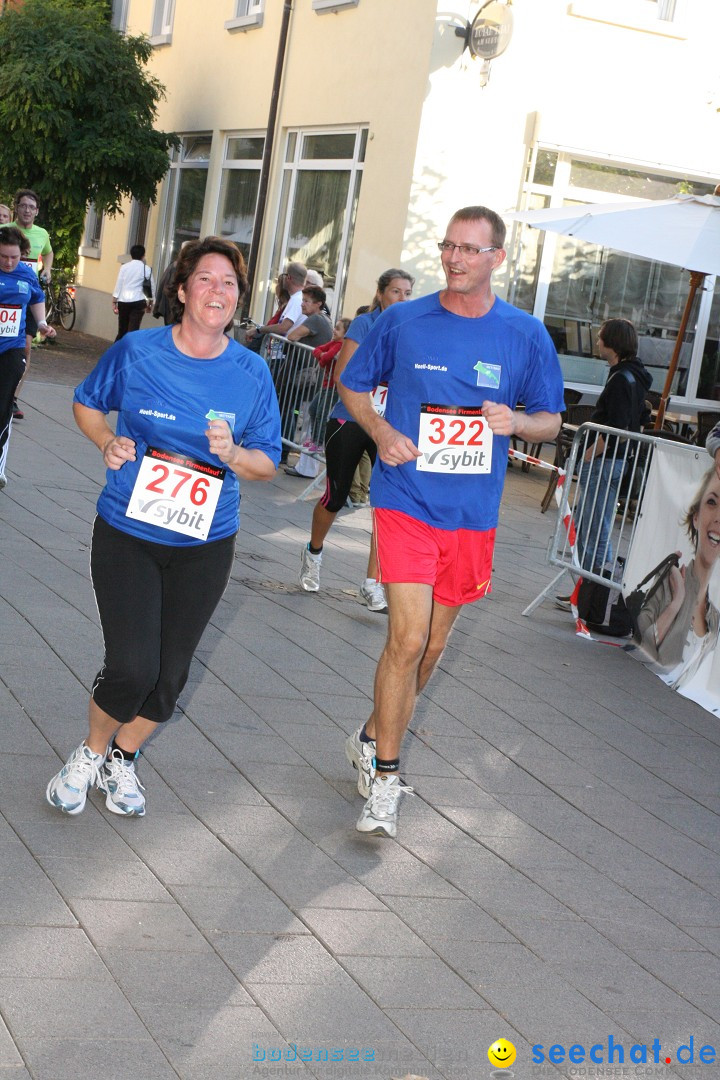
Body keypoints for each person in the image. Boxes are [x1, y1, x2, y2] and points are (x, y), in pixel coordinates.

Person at [337, 205, 564, 837]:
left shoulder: (525, 335)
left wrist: (516, 423)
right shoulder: (403, 320)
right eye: (449, 247)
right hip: (405, 499)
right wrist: (380, 430)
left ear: (497, 259)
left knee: (433, 647)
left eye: (470, 249)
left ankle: (370, 734)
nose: (455, 259)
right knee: (406, 641)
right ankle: (386, 776)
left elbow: (551, 419)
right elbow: (351, 382)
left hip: (471, 517)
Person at [45, 236, 281, 819]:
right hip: (128, 530)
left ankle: (122, 759)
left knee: (170, 676)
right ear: (181, 289)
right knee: (132, 666)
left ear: (238, 298)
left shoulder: (251, 373)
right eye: (205, 278)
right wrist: (107, 440)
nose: (217, 291)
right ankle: (89, 754)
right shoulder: (139, 352)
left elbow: (267, 463)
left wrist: (232, 455)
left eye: (228, 283)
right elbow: (86, 402)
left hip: (206, 543)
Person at [299, 269, 415, 612]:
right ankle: (313, 553)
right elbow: (343, 375)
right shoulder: (365, 325)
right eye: (396, 292)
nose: (403, 299)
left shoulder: (409, 331)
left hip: (388, 427)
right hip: (350, 419)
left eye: (408, 293)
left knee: (387, 505)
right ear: (380, 294)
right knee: (336, 496)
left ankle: (371, 582)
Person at [635, 467, 720, 696]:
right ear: (696, 517)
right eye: (712, 502)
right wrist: (676, 603)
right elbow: (643, 648)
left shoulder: (715, 616)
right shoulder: (671, 581)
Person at [0, 226, 56, 487]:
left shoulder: (26, 274)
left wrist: (42, 323)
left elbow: (37, 297)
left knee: (3, 406)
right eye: (3, 257)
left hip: (12, 347)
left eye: (14, 257)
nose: (9, 262)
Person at [12, 188, 54, 419]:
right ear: (16, 208)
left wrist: (46, 268)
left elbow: (48, 253)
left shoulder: (42, 234)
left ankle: (13, 398)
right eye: (23, 206)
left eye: (31, 207)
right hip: (6, 298)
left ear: (36, 211)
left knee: (26, 349)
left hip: (28, 298)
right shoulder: (5, 231)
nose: (27, 210)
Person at [245, 260, 307, 346]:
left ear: (289, 277)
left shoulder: (297, 299)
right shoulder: (297, 298)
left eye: (284, 275)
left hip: (282, 355)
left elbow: (283, 327)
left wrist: (258, 330)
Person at [112, 244, 154, 340]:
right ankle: (129, 350)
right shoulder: (146, 269)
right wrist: (150, 304)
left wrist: (114, 301)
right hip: (138, 301)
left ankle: (117, 351)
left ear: (131, 255)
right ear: (143, 256)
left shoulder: (124, 267)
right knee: (133, 330)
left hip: (123, 301)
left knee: (122, 330)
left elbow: (119, 285)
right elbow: (151, 288)